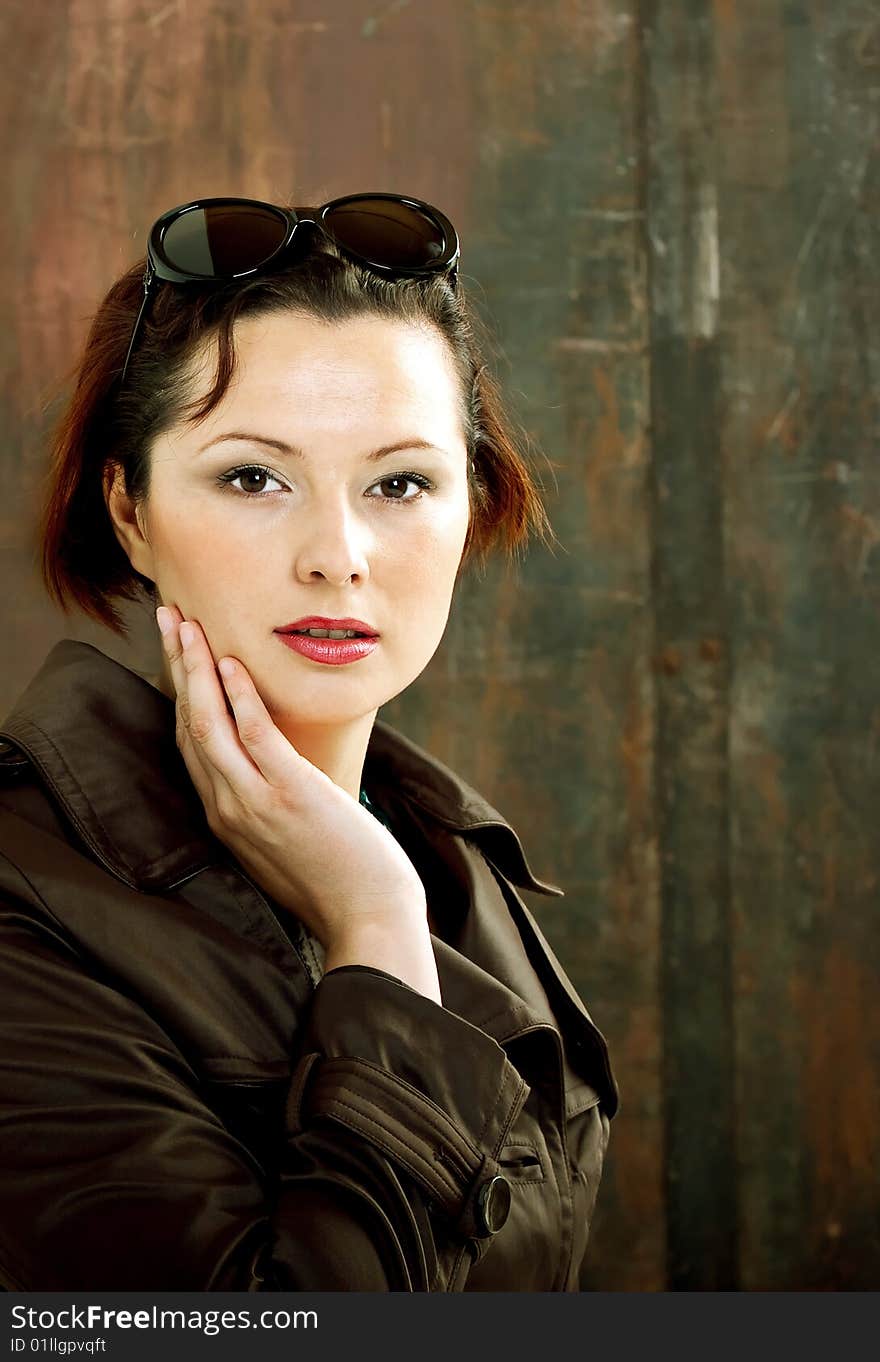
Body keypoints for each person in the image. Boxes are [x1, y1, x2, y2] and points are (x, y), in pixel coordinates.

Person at [0, 193, 618, 1292]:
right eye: (252, 477)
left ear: (471, 506)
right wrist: (372, 924)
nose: (338, 554)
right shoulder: (22, 902)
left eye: (399, 482)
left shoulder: (454, 856)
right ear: (129, 510)